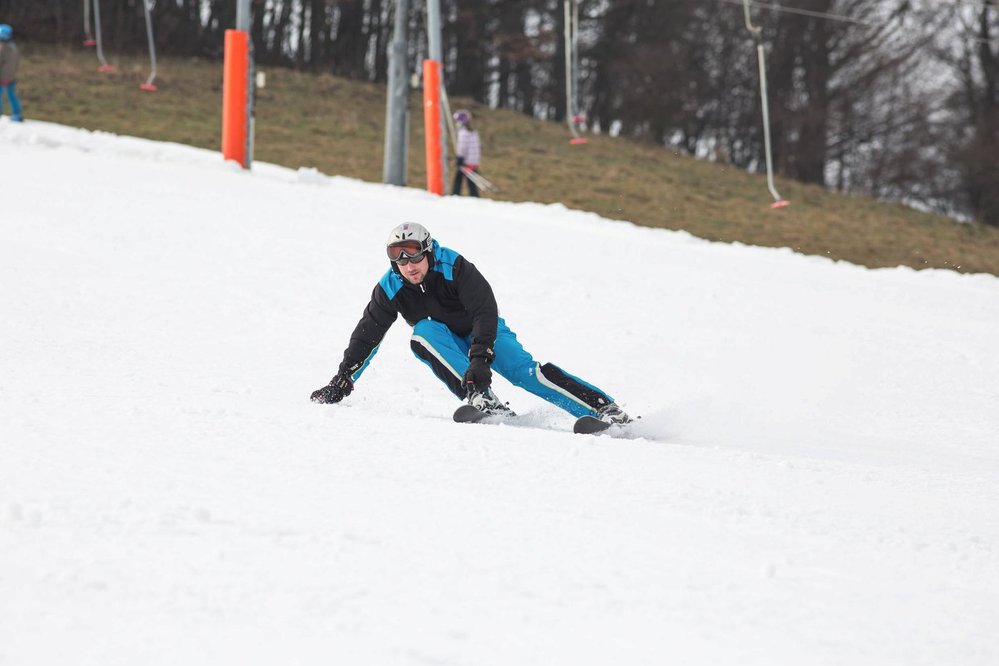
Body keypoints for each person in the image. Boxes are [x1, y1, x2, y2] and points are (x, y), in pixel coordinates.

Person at [311, 222, 632, 428]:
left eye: (414, 257)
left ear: (429, 252)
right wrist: (343, 380)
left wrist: (480, 359)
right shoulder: (391, 286)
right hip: (444, 339)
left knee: (526, 374)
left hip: (483, 331)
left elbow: (484, 311)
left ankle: (605, 409)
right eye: (399, 259)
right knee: (421, 335)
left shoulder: (455, 266)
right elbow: (368, 333)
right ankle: (481, 399)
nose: (408, 266)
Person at [451, 110, 480, 197]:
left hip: (466, 162)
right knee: (471, 181)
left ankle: (455, 195)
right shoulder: (473, 132)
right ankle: (474, 196)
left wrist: (459, 158)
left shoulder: (463, 133)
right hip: (473, 161)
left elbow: (462, 147)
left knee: (458, 179)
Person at [0, 24, 23, 122]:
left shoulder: (4, 47)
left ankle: (16, 113)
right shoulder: (13, 47)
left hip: (4, 76)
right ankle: (17, 113)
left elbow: (5, 63)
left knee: (9, 94)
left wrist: (5, 77)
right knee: (11, 94)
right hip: (10, 76)